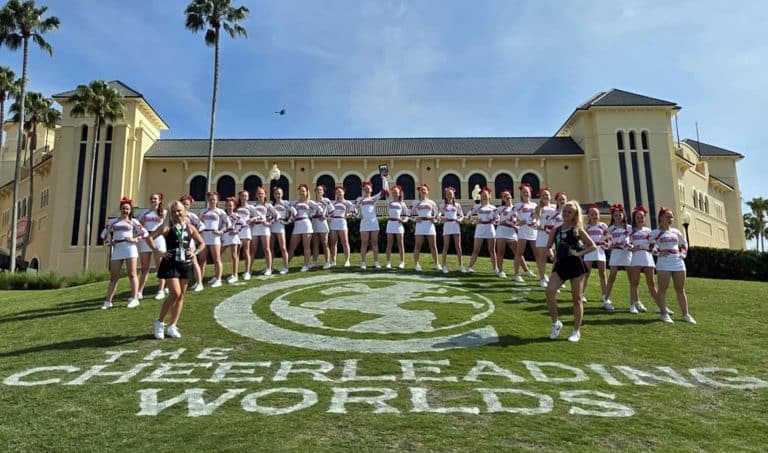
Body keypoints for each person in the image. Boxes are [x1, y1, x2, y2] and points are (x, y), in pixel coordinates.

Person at [147, 200, 206, 339]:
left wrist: (195, 252)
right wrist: (159, 251)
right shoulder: (167, 227)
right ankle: (159, 322)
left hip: (185, 263)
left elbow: (202, 243)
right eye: (174, 211)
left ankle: (172, 326)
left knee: (181, 296)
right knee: (175, 293)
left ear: (184, 211)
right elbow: (149, 238)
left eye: (179, 210)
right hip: (170, 263)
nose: (177, 213)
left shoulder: (190, 228)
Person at [545, 200, 596, 343]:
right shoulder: (556, 230)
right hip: (561, 264)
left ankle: (576, 331)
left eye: (570, 212)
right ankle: (556, 323)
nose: (566, 214)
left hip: (575, 265)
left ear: (575, 215)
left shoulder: (577, 229)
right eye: (565, 211)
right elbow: (548, 246)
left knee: (576, 298)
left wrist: (578, 254)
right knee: (550, 291)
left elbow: (592, 246)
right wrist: (552, 254)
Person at [99, 197, 148, 309]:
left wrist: (135, 239)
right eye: (123, 208)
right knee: (114, 276)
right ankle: (108, 301)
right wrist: (108, 242)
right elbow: (103, 234)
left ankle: (135, 298)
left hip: (130, 248)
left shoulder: (133, 221)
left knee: (132, 274)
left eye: (127, 209)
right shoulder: (113, 221)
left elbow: (144, 233)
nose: (125, 210)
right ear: (120, 209)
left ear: (130, 210)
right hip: (117, 249)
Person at [653, 207, 694, 324]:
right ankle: (664, 314)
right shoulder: (656, 232)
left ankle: (685, 314)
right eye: (667, 217)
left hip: (678, 262)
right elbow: (648, 245)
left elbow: (684, 243)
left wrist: (683, 254)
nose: (670, 219)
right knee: (662, 289)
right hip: (664, 262)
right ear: (660, 218)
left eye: (671, 217)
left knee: (680, 289)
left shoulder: (676, 231)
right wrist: (658, 252)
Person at [627, 205, 658, 314]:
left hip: (647, 257)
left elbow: (653, 245)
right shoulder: (631, 230)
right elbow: (626, 243)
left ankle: (660, 305)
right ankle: (633, 304)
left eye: (642, 217)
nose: (640, 219)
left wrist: (652, 249)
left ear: (645, 218)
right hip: (636, 257)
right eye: (637, 218)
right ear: (634, 219)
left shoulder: (649, 230)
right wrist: (632, 247)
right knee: (634, 282)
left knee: (652, 283)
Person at [137, 193, 167, 300]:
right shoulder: (144, 212)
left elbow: (165, 226)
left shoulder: (164, 212)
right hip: (146, 239)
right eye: (151, 198)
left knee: (160, 267)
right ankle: (139, 291)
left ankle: (161, 290)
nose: (153, 200)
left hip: (158, 238)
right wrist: (142, 234)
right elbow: (138, 224)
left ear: (160, 200)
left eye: (155, 198)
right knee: (145, 268)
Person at [603, 203, 632, 312]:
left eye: (620, 215)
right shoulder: (610, 229)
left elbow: (633, 240)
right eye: (615, 215)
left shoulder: (629, 228)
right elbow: (608, 243)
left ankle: (634, 302)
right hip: (616, 253)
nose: (618, 217)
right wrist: (611, 245)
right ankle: (606, 299)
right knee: (612, 276)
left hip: (627, 254)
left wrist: (631, 245)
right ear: (613, 217)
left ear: (623, 215)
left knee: (632, 279)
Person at [582, 205, 611, 310]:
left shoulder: (603, 225)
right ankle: (582, 294)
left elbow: (609, 238)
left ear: (599, 215)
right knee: (586, 273)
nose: (594, 216)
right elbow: (581, 239)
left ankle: (605, 296)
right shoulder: (586, 227)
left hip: (600, 251)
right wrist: (583, 246)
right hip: (589, 251)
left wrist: (607, 245)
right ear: (588, 216)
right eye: (592, 214)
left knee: (602, 274)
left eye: (596, 214)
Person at [357, 176, 389, 270]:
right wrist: (357, 214)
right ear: (363, 189)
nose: (367, 189)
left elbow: (383, 191)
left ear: (371, 189)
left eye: (368, 188)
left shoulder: (374, 198)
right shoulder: (359, 199)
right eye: (365, 188)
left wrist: (384, 179)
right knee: (364, 243)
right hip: (364, 223)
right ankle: (363, 263)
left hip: (374, 222)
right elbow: (353, 208)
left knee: (375, 243)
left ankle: (376, 262)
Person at [198, 191, 228, 287]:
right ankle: (199, 281)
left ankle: (218, 279)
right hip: (204, 236)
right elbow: (198, 223)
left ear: (217, 200)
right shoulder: (203, 211)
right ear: (208, 200)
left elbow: (226, 223)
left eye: (214, 199)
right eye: (210, 199)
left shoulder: (220, 211)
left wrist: (221, 231)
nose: (212, 201)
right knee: (202, 259)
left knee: (217, 259)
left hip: (214, 236)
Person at [466, 187, 498, 275]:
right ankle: (470, 267)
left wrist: (493, 221)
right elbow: (468, 215)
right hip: (480, 229)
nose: (484, 197)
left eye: (485, 195)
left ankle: (495, 269)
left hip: (490, 229)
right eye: (482, 195)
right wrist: (473, 221)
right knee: (476, 250)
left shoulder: (493, 207)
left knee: (492, 250)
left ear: (489, 196)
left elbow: (497, 219)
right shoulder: (477, 206)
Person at [411, 183, 441, 272]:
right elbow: (409, 213)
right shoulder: (415, 203)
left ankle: (436, 264)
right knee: (417, 245)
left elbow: (438, 213)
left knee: (433, 246)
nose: (423, 191)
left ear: (427, 191)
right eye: (421, 190)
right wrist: (415, 219)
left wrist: (435, 220)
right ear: (419, 192)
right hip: (420, 225)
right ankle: (416, 264)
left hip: (429, 225)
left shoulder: (431, 202)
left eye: (424, 189)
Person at [287, 184, 316, 272]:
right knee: (292, 247)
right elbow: (288, 208)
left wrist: (312, 214)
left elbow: (318, 209)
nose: (302, 192)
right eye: (300, 190)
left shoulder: (310, 202)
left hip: (306, 224)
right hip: (297, 225)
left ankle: (306, 265)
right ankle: (285, 265)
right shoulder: (295, 202)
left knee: (306, 247)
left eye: (303, 190)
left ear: (307, 192)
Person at [513, 183, 539, 283]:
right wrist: (521, 222)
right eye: (524, 192)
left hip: (533, 232)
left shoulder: (534, 205)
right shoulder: (518, 205)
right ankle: (516, 274)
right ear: (521, 194)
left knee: (537, 254)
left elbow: (537, 218)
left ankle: (542, 274)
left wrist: (536, 223)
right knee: (519, 253)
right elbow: (513, 218)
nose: (526, 193)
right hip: (523, 231)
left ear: (530, 193)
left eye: (527, 192)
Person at [179, 195, 204, 292]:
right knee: (178, 263)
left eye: (187, 204)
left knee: (194, 262)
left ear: (189, 206)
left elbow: (201, 226)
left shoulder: (191, 215)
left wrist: (193, 233)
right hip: (178, 242)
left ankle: (199, 283)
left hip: (189, 242)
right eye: (183, 204)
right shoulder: (176, 215)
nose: (185, 206)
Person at [250, 186, 277, 276]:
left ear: (265, 194)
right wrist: (252, 221)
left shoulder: (268, 205)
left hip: (265, 229)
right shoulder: (253, 206)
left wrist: (268, 222)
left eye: (262, 193)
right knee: (252, 250)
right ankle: (249, 269)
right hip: (255, 229)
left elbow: (276, 215)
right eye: (258, 193)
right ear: (256, 195)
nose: (260, 195)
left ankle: (269, 268)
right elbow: (250, 218)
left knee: (267, 249)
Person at [328, 185, 356, 267]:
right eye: (337, 192)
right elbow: (330, 213)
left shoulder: (347, 203)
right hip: (333, 222)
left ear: (343, 192)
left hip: (342, 222)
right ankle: (333, 261)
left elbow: (354, 211)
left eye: (340, 192)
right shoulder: (333, 203)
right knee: (333, 243)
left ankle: (347, 261)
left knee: (345, 242)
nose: (339, 193)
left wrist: (348, 214)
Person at [438, 186, 465, 273]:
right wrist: (442, 218)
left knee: (458, 246)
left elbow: (461, 215)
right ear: (445, 195)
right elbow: (438, 215)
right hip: (447, 226)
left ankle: (461, 265)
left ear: (453, 195)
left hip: (455, 225)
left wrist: (460, 219)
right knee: (446, 246)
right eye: (448, 194)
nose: (449, 195)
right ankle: (444, 266)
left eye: (451, 194)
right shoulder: (442, 205)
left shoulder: (457, 205)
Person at [534, 188, 557, 287]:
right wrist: (543, 228)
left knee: (555, 258)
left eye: (547, 195)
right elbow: (535, 222)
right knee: (542, 258)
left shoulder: (555, 207)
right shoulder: (538, 208)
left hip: (554, 235)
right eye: (543, 195)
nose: (545, 197)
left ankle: (554, 278)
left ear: (550, 196)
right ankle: (542, 278)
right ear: (540, 197)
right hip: (542, 235)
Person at [495, 189, 519, 279]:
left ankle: (521, 272)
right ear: (503, 199)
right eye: (505, 196)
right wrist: (501, 222)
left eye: (508, 195)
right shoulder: (499, 208)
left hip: (512, 233)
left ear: (511, 196)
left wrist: (516, 226)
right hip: (501, 232)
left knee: (517, 253)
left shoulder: (516, 208)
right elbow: (493, 218)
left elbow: (519, 220)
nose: (507, 197)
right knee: (500, 252)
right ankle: (500, 271)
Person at [384, 184, 409, 269]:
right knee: (389, 243)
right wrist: (384, 179)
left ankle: (402, 262)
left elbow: (408, 214)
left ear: (399, 193)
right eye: (393, 192)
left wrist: (404, 220)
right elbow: (385, 190)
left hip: (399, 225)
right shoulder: (389, 202)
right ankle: (388, 262)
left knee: (400, 244)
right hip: (390, 223)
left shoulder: (402, 203)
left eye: (396, 192)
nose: (395, 193)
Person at [222, 197, 245, 284]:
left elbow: (243, 224)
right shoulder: (224, 215)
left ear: (234, 206)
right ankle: (218, 275)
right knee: (218, 255)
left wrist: (235, 231)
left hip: (234, 237)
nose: (229, 207)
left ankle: (235, 274)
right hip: (225, 237)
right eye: (227, 205)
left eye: (231, 206)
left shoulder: (236, 215)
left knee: (234, 255)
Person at [310, 185, 334, 269]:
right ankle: (314, 262)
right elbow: (310, 213)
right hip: (314, 223)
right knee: (315, 244)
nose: (319, 191)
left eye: (320, 190)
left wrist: (326, 217)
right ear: (315, 192)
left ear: (323, 192)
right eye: (317, 190)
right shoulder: (313, 202)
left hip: (323, 224)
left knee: (325, 243)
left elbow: (332, 211)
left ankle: (328, 262)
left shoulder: (326, 200)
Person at [269, 186, 291, 274]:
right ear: (273, 195)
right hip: (272, 227)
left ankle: (285, 267)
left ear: (282, 194)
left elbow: (292, 214)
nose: (277, 195)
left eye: (279, 193)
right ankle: (269, 267)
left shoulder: (285, 203)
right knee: (270, 248)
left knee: (283, 247)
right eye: (276, 194)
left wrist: (286, 221)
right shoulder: (271, 204)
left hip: (281, 227)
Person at [235, 190, 254, 280]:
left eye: (246, 196)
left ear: (248, 197)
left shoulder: (251, 207)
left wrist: (251, 220)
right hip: (237, 232)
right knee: (236, 253)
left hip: (246, 231)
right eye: (242, 196)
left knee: (246, 252)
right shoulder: (236, 208)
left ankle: (247, 272)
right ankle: (235, 272)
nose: (244, 197)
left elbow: (259, 216)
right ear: (240, 197)